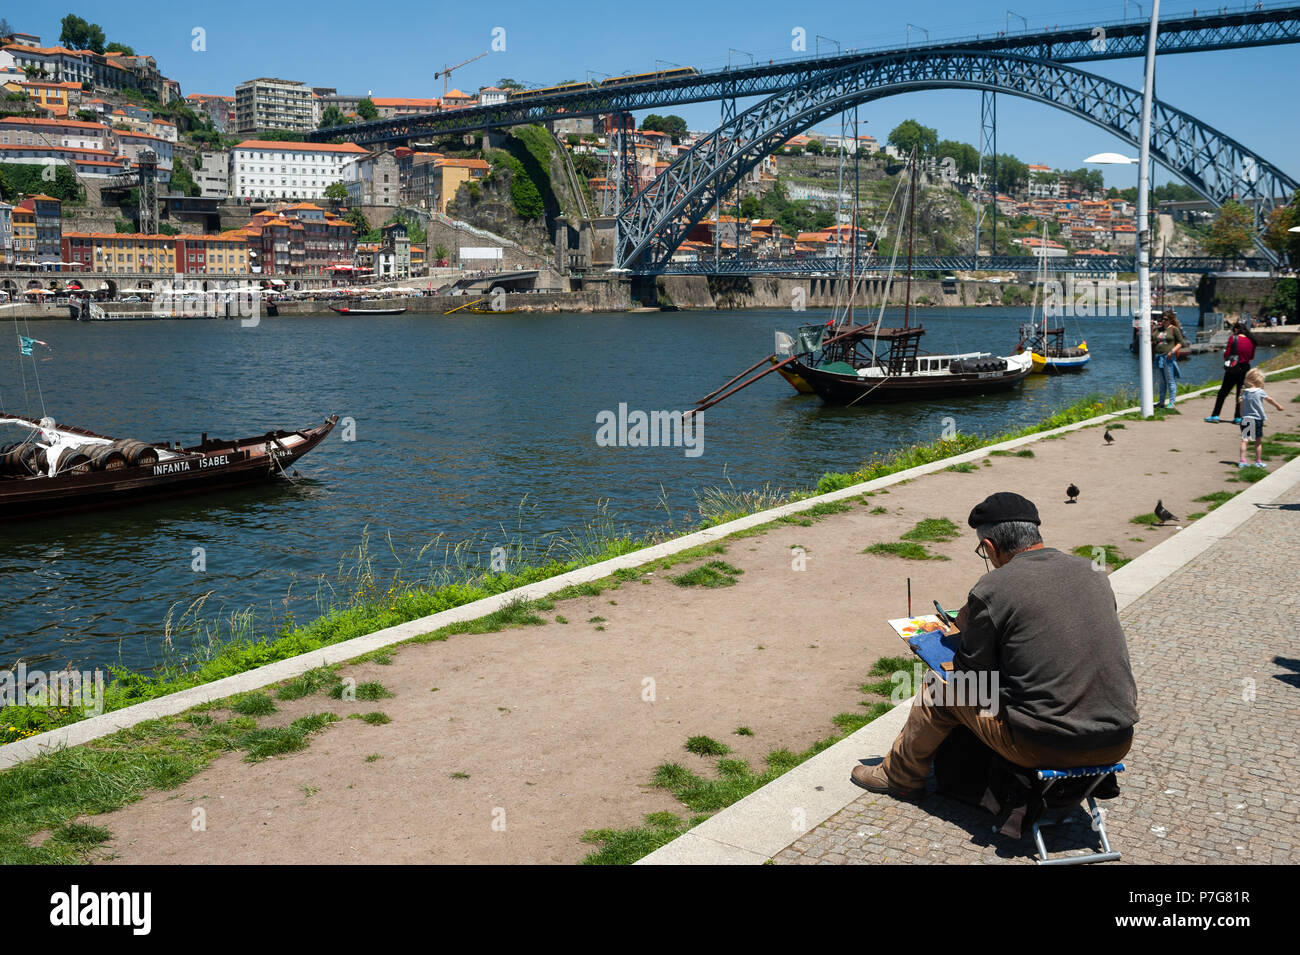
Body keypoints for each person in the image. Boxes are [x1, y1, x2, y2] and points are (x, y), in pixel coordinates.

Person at [852, 492, 1139, 801]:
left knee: (939, 687)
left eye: (983, 551)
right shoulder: (1092, 572)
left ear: (990, 546)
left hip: (1045, 745)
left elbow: (970, 675)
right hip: (1118, 739)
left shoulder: (995, 587)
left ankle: (900, 776)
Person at [1205, 323, 1257, 423]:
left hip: (1233, 368)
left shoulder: (1233, 338)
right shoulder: (1252, 340)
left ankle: (1215, 415)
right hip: (1245, 368)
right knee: (1240, 394)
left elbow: (1227, 355)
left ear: (1236, 330)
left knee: (1223, 392)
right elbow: (1251, 357)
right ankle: (1238, 417)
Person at [1238, 368, 1285, 469]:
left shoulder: (1244, 392)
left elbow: (1241, 406)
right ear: (1259, 380)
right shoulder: (1260, 392)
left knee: (1245, 440)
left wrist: (1241, 416)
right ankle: (1258, 461)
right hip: (1257, 419)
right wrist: (1278, 406)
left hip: (1246, 419)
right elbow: (1270, 399)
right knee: (1258, 441)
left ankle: (1242, 461)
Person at [1153, 312, 1188, 409]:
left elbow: (1181, 342)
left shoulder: (1173, 329)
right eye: (1162, 319)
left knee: (1170, 380)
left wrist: (1172, 351)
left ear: (1170, 320)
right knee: (1161, 381)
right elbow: (1153, 338)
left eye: (1165, 319)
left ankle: (1172, 402)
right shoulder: (1159, 329)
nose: (1163, 320)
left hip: (1168, 357)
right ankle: (1161, 401)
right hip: (1158, 357)